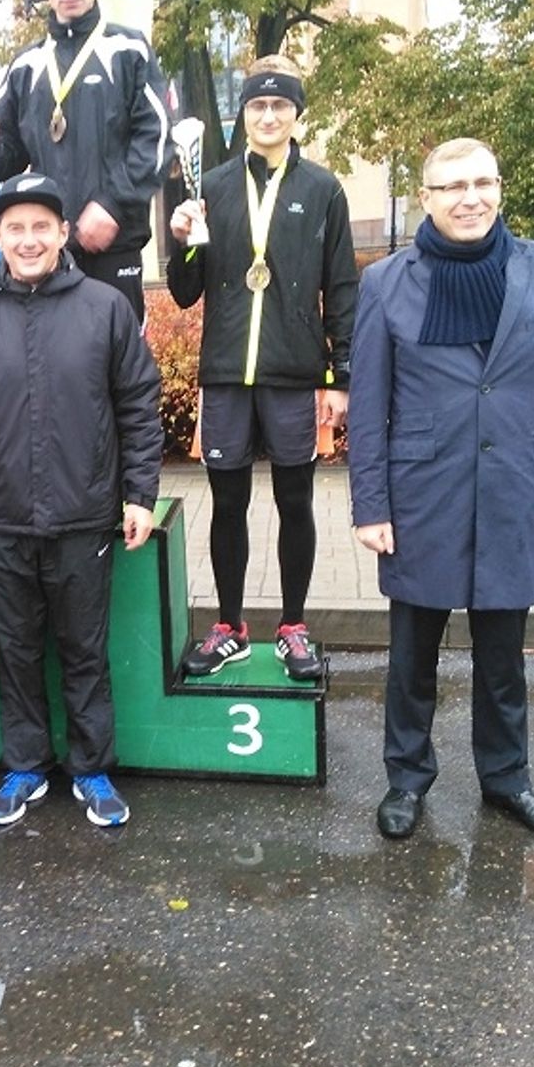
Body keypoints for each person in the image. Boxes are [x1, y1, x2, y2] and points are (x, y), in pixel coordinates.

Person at [349, 137, 534, 842]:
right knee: (413, 655)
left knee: (503, 656)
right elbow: (368, 402)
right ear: (427, 198)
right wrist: (370, 505)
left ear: (499, 188)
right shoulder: (387, 282)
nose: (470, 197)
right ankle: (407, 780)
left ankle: (508, 780)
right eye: (452, 186)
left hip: (513, 488)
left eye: (482, 182)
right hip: (422, 493)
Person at [0, 173, 163, 828]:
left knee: (85, 652)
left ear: (63, 234)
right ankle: (25, 768)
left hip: (84, 517)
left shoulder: (105, 307)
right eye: (15, 229)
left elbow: (138, 407)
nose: (28, 240)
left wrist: (139, 493)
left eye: (41, 227)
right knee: (16, 648)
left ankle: (91, 770)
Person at [167, 55, 357, 681]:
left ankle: (294, 624)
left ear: (297, 114)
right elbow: (186, 291)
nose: (268, 116)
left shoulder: (322, 189)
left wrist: (340, 377)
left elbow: (342, 287)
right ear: (243, 113)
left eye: (280, 106)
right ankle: (229, 625)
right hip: (224, 373)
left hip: (293, 372)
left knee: (296, 500)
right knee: (226, 505)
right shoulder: (212, 187)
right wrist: (183, 239)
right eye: (257, 106)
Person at [0, 0, 172, 325]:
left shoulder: (128, 50)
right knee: (52, 370)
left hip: (115, 246)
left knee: (120, 370)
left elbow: (158, 136)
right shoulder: (26, 65)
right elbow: (9, 155)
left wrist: (113, 204)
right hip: (48, 250)